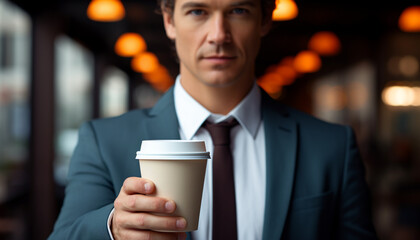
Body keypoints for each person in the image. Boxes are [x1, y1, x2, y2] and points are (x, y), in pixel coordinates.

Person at [48, 0, 378, 239]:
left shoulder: (332, 146)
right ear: (169, 21)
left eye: (238, 11)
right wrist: (113, 228)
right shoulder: (104, 141)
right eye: (197, 11)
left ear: (265, 19)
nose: (218, 35)